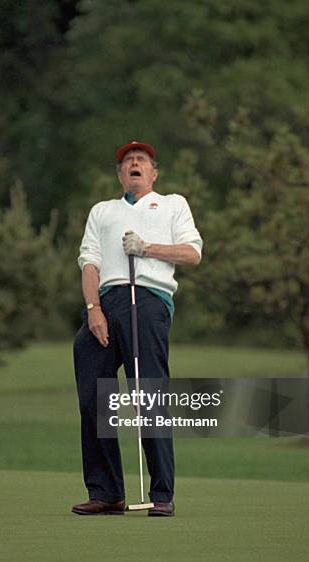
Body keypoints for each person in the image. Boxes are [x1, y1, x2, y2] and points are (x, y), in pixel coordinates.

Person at [71, 140, 202, 517]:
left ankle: (161, 494)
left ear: (153, 171)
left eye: (141, 160)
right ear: (119, 174)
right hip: (107, 301)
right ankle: (107, 491)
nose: (134, 164)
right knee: (94, 396)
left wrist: (147, 248)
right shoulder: (103, 210)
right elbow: (90, 262)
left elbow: (192, 253)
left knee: (149, 396)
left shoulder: (173, 204)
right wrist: (93, 308)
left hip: (148, 300)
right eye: (127, 161)